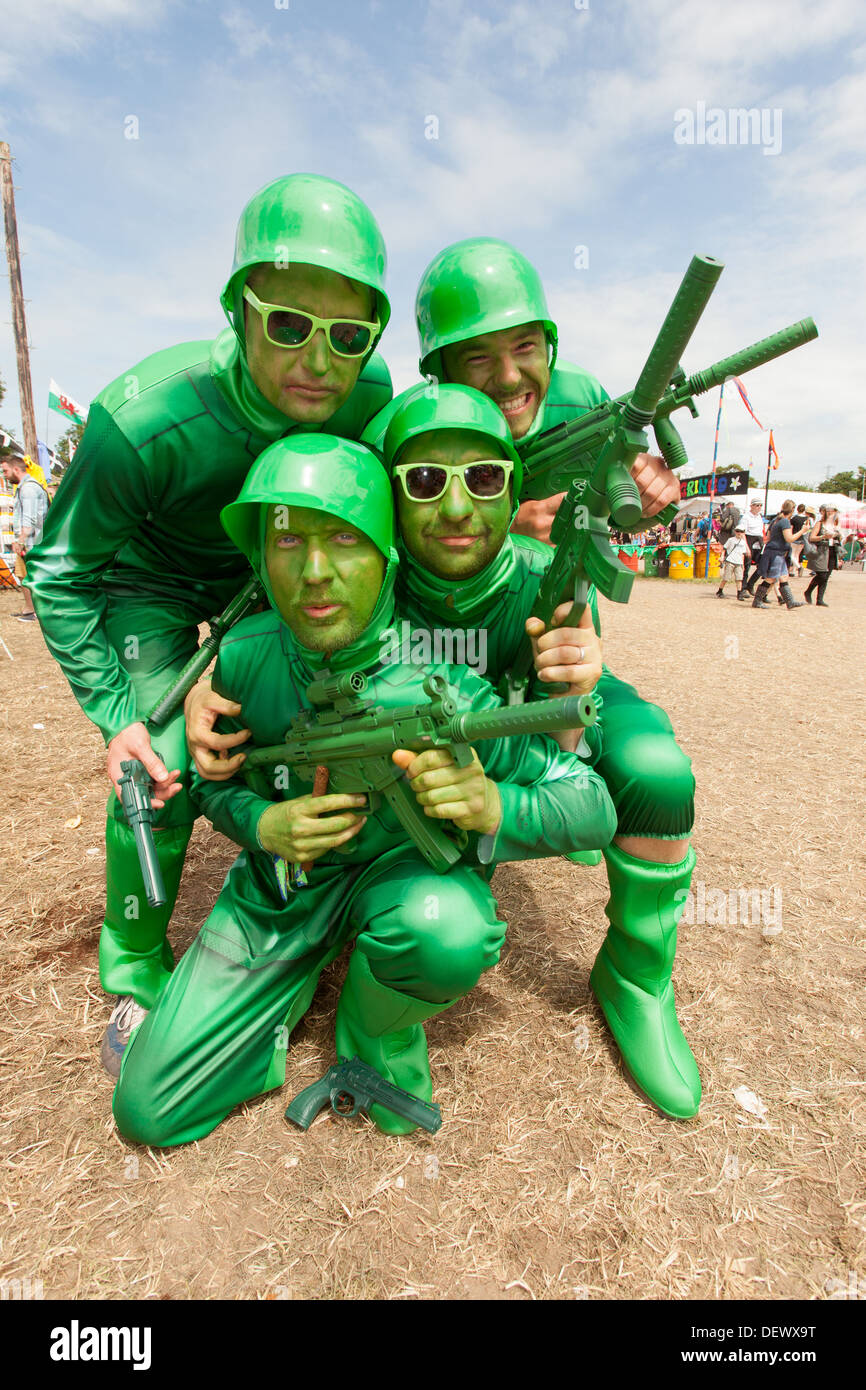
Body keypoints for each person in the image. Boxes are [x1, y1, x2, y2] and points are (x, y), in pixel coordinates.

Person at [112, 437, 616, 1145]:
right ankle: (270, 1015)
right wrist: (263, 825)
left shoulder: (442, 684)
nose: (315, 573)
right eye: (288, 542)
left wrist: (496, 807)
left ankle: (373, 1031)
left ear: (387, 556)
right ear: (260, 557)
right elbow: (217, 785)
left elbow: (591, 805)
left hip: (400, 883)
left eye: (345, 540)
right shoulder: (243, 660)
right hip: (279, 893)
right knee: (148, 1111)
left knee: (449, 929)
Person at [25, 174, 394, 1073]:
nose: (320, 359)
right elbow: (59, 569)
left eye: (348, 335)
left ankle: (319, 891)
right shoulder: (141, 416)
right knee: (162, 758)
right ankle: (136, 965)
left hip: (273, 575)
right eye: (289, 325)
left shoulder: (372, 394)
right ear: (239, 309)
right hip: (154, 584)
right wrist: (119, 714)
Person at [0, 454, 49, 622]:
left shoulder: (28, 488)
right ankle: (29, 609)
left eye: (5, 471)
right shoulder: (24, 487)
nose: (4, 475)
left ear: (16, 469)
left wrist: (21, 540)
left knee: (31, 577)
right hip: (29, 541)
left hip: (32, 542)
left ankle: (34, 611)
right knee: (23, 575)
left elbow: (29, 518)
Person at [750, 500, 804, 609]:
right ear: (792, 510)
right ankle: (757, 600)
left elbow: (768, 537)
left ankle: (790, 601)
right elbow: (789, 538)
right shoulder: (784, 521)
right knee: (771, 578)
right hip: (777, 553)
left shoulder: (775, 520)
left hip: (773, 551)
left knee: (783, 576)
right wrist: (803, 531)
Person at [804, 505, 840, 605]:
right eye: (829, 512)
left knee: (826, 576)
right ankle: (808, 591)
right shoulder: (819, 524)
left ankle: (819, 599)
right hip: (822, 551)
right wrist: (823, 536)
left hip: (833, 551)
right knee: (822, 575)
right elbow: (811, 538)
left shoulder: (835, 524)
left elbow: (838, 539)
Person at [737, 499, 765, 598]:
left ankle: (751, 584)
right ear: (752, 506)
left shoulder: (759, 517)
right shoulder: (746, 517)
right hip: (749, 540)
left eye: (760, 505)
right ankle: (743, 588)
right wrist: (746, 547)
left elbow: (761, 531)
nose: (759, 507)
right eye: (757, 505)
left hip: (759, 542)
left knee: (762, 565)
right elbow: (742, 532)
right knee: (746, 566)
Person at [716, 524, 748, 597]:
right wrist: (722, 557)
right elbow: (724, 548)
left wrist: (743, 564)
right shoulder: (731, 540)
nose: (739, 533)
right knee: (726, 578)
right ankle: (720, 590)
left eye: (741, 531)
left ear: (743, 533)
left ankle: (739, 594)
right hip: (730, 561)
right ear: (735, 531)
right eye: (737, 531)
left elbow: (743, 554)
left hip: (739, 562)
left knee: (739, 578)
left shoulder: (743, 542)